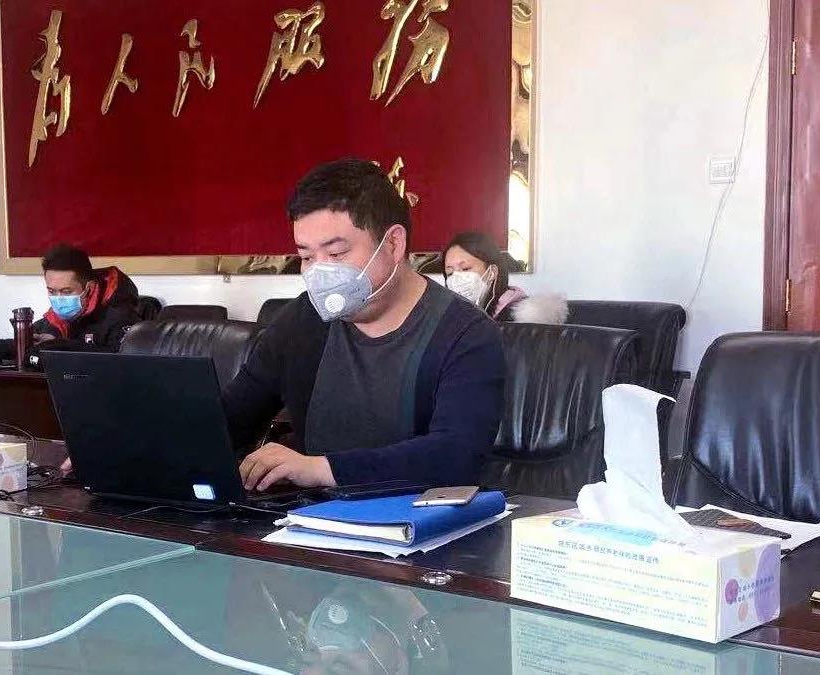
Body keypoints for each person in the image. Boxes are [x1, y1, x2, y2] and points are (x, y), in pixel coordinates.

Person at [225, 159, 506, 491]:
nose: (319, 273)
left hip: (417, 518)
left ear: (393, 244)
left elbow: (454, 456)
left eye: (336, 253)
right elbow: (232, 418)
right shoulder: (302, 320)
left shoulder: (466, 333)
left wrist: (322, 470)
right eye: (307, 257)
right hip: (305, 517)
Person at [0, 244, 141, 364]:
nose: (58, 298)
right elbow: (17, 345)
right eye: (52, 291)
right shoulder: (54, 320)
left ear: (89, 288)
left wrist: (58, 345)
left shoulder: (119, 315)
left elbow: (120, 360)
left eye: (66, 292)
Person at [442, 231, 567, 324]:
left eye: (465, 269)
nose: (456, 279)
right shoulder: (447, 317)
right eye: (450, 273)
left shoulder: (522, 319)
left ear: (492, 272)